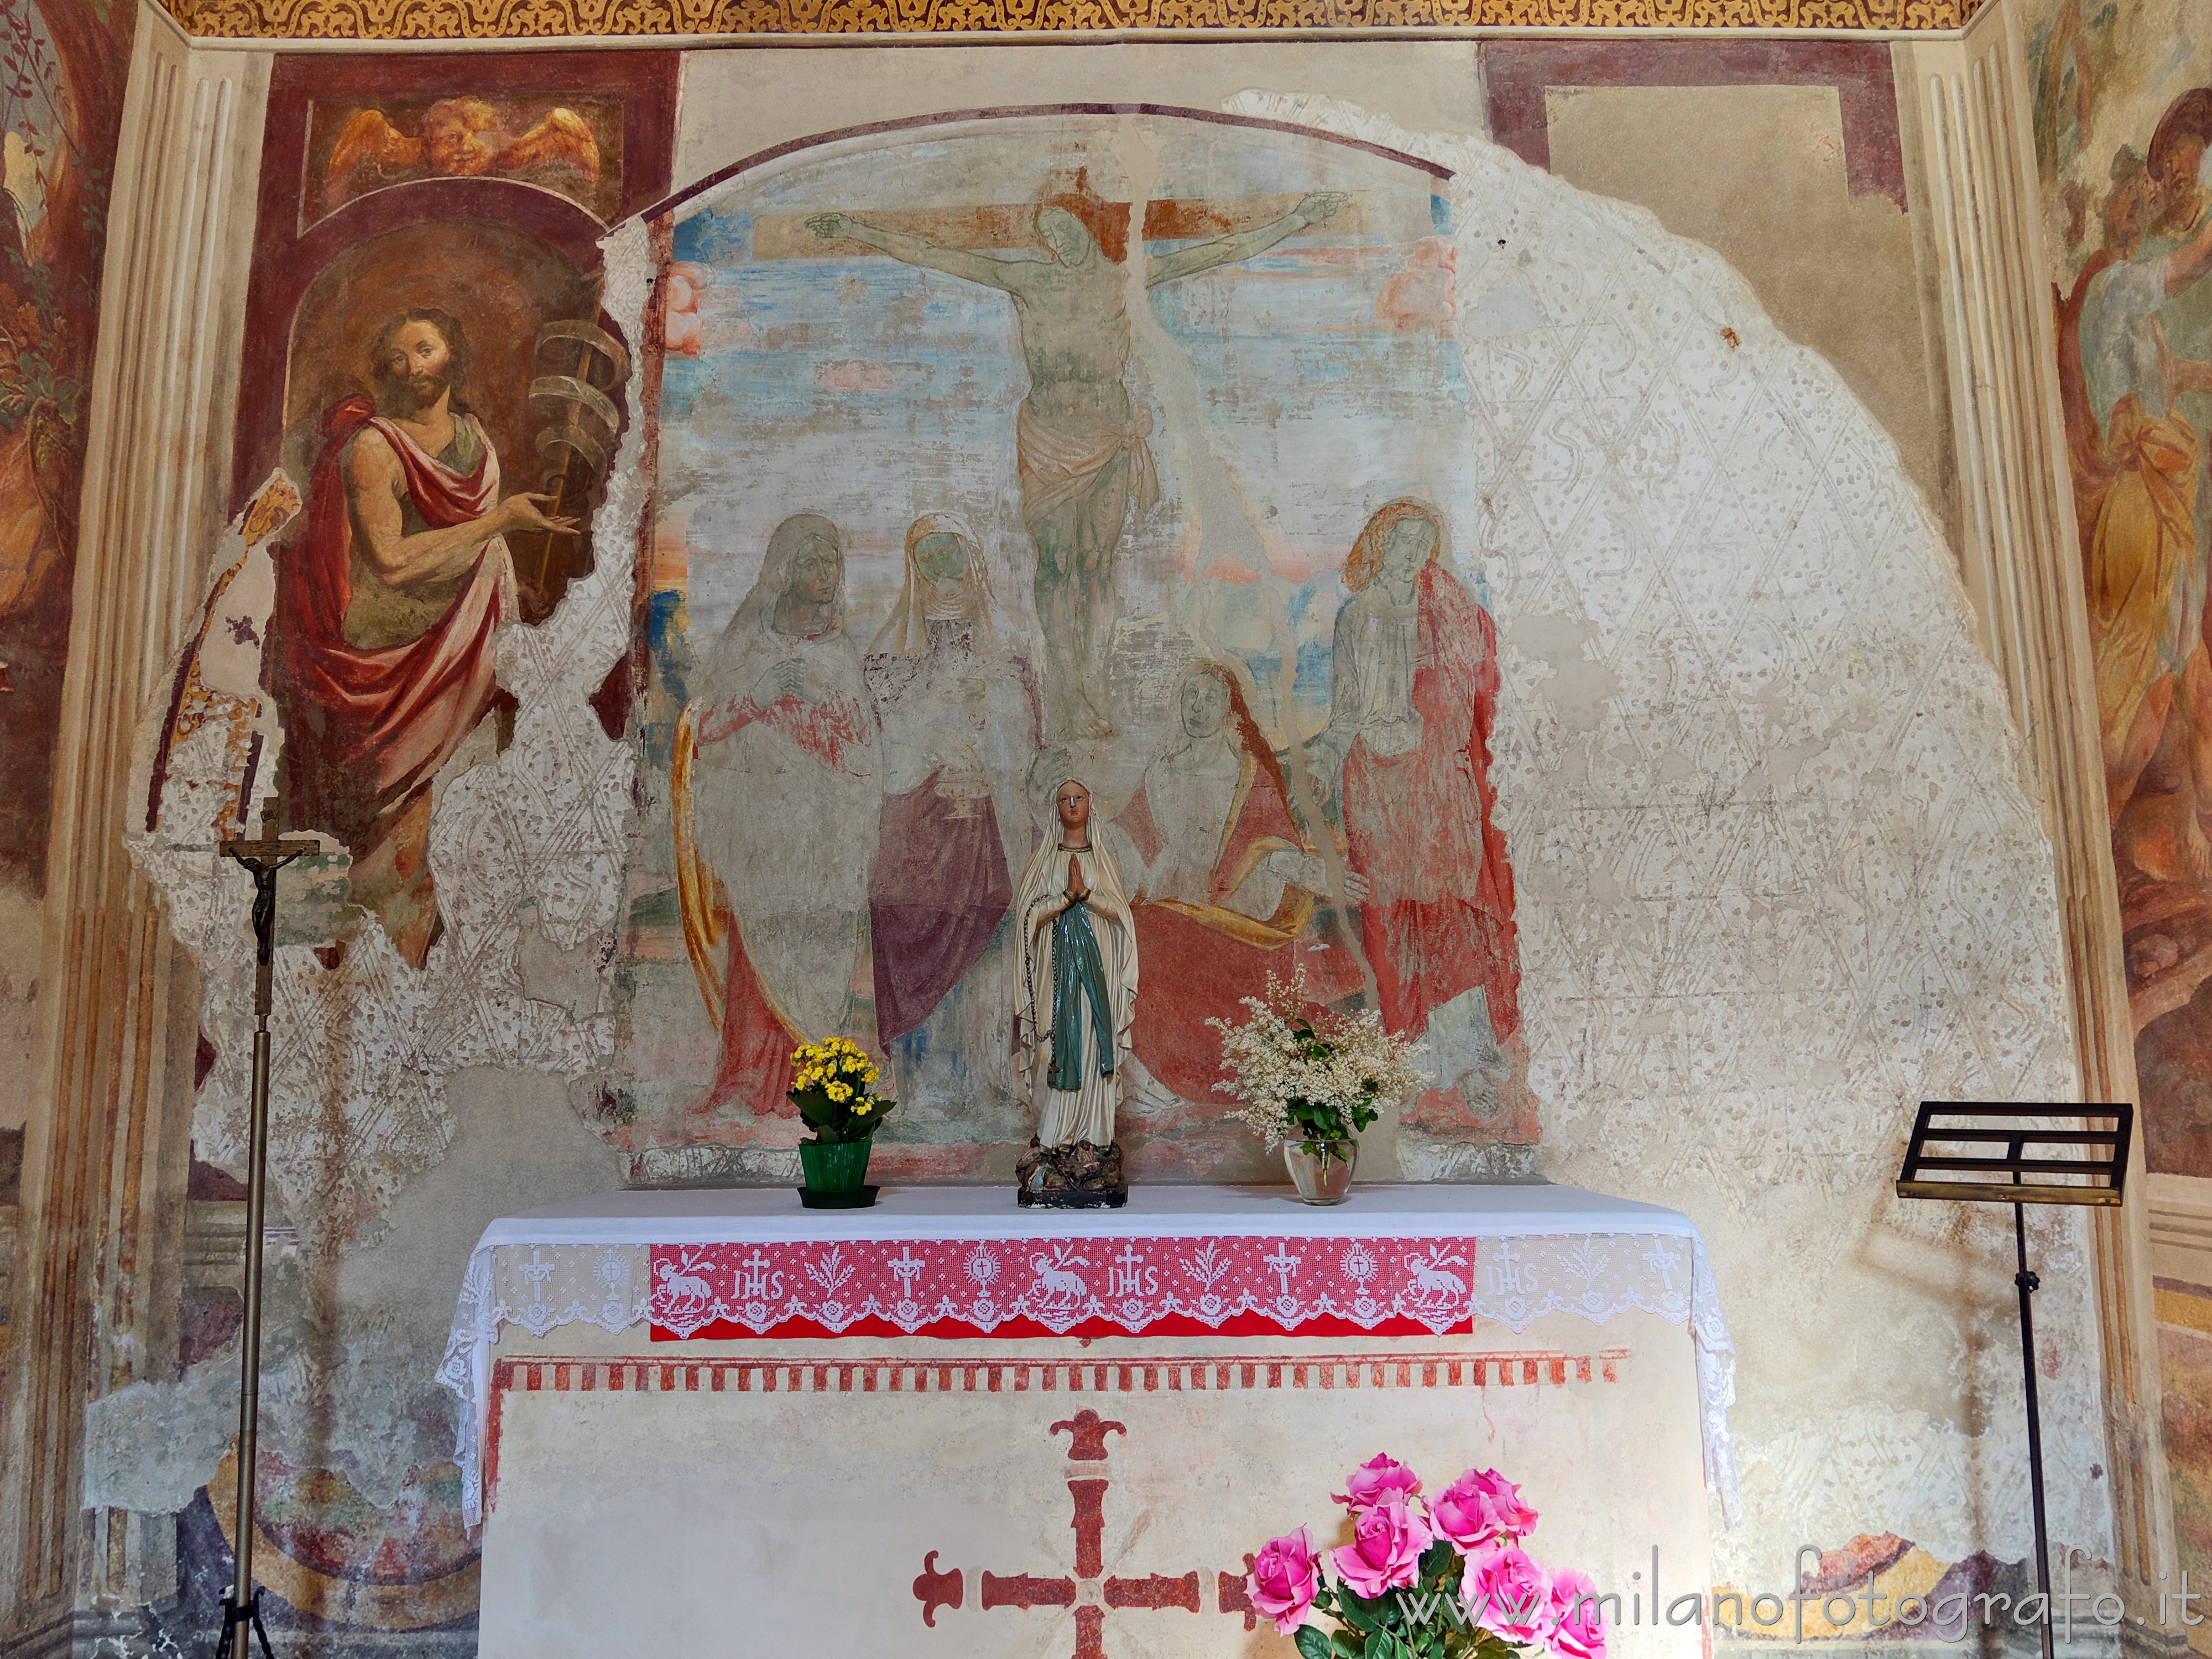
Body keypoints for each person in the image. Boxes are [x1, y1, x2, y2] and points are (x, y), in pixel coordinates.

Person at [806, 175, 1347, 739]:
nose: (1057, 243)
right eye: (1047, 234)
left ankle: (1093, 678)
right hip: (1046, 436)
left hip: (1107, 432)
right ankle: (1066, 687)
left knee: (1095, 565)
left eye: (1064, 229)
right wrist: (856, 230)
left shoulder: (1123, 282)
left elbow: (1215, 251)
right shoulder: (1029, 281)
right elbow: (941, 256)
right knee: (1056, 564)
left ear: (1087, 227)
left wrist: (1297, 220)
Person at [275, 306, 572, 968]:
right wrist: (500, 520)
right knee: (396, 827)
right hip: (389, 651)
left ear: (452, 356)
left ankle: (423, 967)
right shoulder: (376, 445)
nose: (412, 368)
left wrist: (501, 549)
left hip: (469, 640)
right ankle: (363, 968)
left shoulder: (473, 439)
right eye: (399, 357)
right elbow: (390, 560)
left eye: (425, 350)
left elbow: (475, 548)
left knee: (455, 811)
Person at [678, 513, 880, 1109]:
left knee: (815, 958)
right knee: (758, 958)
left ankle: (810, 1082)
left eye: (832, 563)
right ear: (784, 571)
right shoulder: (746, 647)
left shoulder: (842, 653)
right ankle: (747, 1077)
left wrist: (826, 725)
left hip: (822, 844)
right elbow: (701, 732)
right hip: (762, 843)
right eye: (813, 563)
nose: (825, 574)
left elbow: (862, 757)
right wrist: (757, 697)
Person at [1306, 500, 1519, 1054]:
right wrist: (1325, 761)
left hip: (1436, 780)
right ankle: (1405, 1040)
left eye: (1424, 543)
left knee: (1448, 903)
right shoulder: (1355, 617)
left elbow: (1480, 683)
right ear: (1380, 543)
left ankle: (1459, 1048)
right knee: (1385, 910)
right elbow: (1346, 711)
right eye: (1403, 541)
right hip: (1375, 780)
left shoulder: (1443, 612)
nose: (1413, 554)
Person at [1105, 661, 1364, 1102]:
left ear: (1229, 710)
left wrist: (1312, 872)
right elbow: (1129, 843)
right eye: (1191, 697)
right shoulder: (1160, 773)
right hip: (1173, 909)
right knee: (1137, 934)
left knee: (1151, 937)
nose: (1199, 708)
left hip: (1235, 922)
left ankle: (1185, 1073)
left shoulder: (1248, 775)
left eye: (1210, 698)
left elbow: (1271, 847)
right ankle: (1156, 1073)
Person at [864, 513, 1041, 1056]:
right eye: (930, 558)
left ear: (975, 566)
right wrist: (932, 721)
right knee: (904, 930)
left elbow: (1028, 753)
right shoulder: (886, 667)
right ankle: (925, 1084)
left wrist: (985, 718)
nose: (944, 572)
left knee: (991, 940)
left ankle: (988, 1080)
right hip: (915, 833)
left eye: (953, 556)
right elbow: (878, 757)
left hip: (985, 837)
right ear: (914, 573)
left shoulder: (1008, 665)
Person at [1013, 779, 1138, 1157]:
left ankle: (1094, 1136)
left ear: (1089, 805)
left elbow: (1122, 916)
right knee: (1055, 1043)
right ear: (1056, 808)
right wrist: (1065, 898)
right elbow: (1027, 919)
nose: (1071, 804)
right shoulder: (1044, 862)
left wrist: (1088, 895)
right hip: (1055, 971)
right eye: (1064, 799)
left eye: (1078, 798)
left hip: (1097, 971)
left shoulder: (1103, 861)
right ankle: (1054, 1136)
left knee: (1092, 1041)